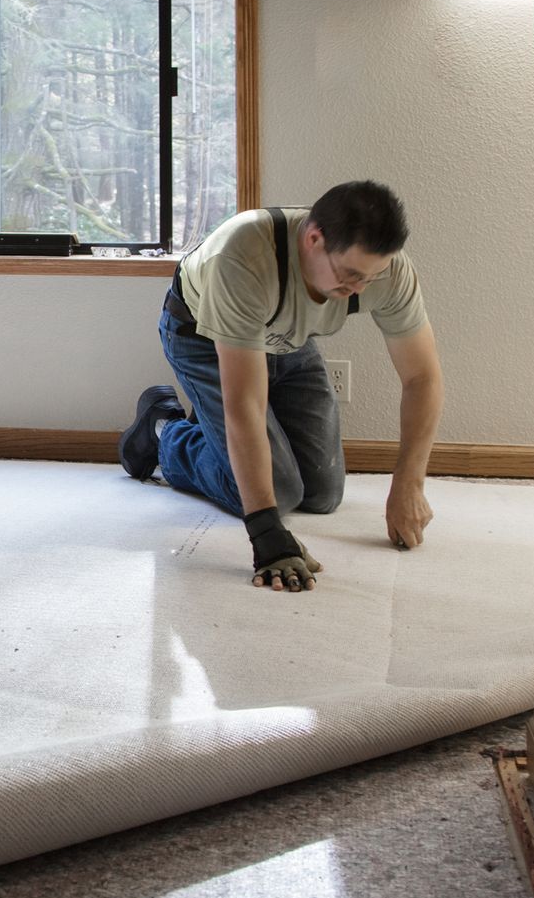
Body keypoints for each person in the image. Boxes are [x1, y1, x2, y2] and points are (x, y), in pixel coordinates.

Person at [119, 181, 444, 593]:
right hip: (201, 337)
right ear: (313, 239)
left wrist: (409, 482)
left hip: (288, 338)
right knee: (281, 492)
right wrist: (265, 533)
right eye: (351, 276)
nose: (362, 289)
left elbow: (422, 378)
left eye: (373, 276)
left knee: (323, 494)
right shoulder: (245, 256)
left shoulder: (387, 271)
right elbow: (245, 405)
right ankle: (164, 430)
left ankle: (211, 429)